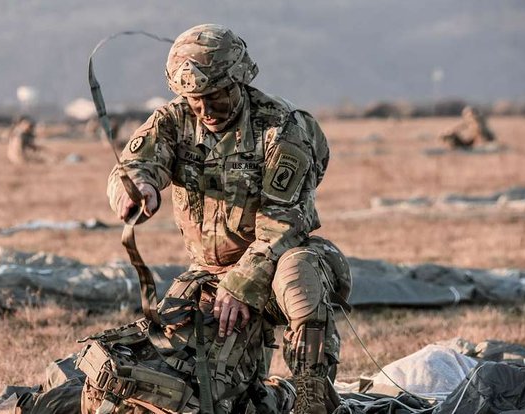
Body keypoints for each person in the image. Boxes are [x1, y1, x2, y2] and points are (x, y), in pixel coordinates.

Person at [106, 23, 351, 413]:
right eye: (195, 100)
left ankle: (311, 392)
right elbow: (136, 163)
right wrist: (137, 187)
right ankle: (265, 394)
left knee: (297, 270)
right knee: (187, 374)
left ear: (240, 81)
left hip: (276, 270)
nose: (205, 111)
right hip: (207, 273)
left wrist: (239, 285)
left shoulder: (281, 130)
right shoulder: (174, 120)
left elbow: (282, 226)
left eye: (216, 97)